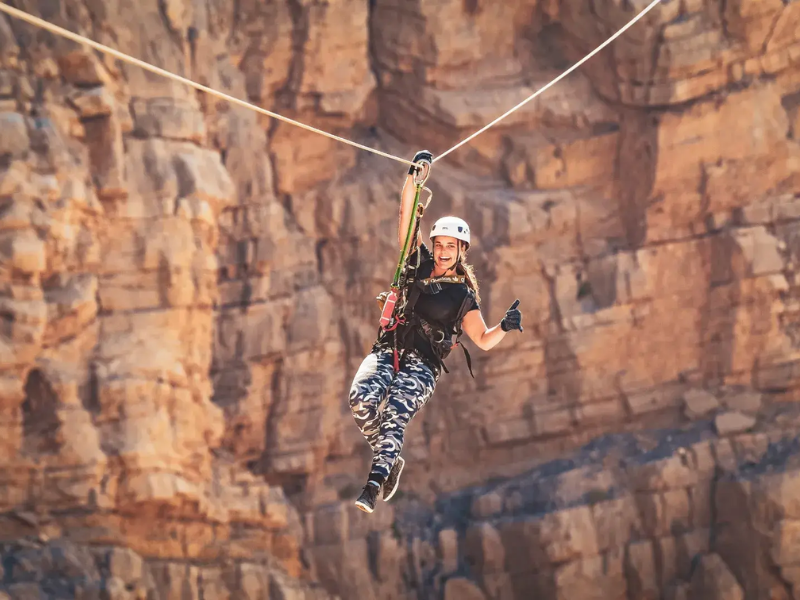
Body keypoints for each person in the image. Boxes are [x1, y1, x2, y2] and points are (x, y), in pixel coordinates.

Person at [348, 150, 524, 514]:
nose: (442, 252)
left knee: (395, 414)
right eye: (439, 245)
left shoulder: (464, 297)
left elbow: (483, 340)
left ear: (461, 251)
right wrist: (413, 178)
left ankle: (373, 485)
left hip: (422, 367)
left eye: (450, 247)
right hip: (388, 349)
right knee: (361, 400)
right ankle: (391, 458)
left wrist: (504, 327)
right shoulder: (417, 262)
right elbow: (406, 217)